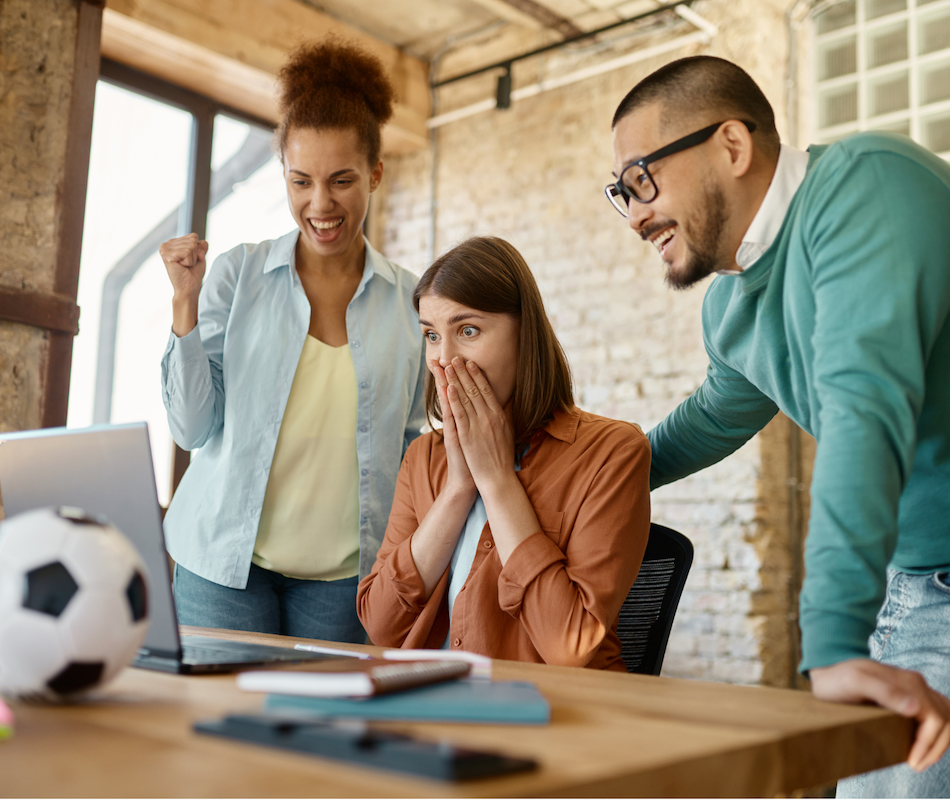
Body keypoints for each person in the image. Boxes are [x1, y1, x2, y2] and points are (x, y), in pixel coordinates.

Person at [607, 55, 950, 796]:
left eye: (642, 181)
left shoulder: (871, 189)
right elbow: (716, 414)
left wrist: (835, 644)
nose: (634, 213)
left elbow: (863, 409)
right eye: (619, 194)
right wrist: (578, 477)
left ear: (732, 146)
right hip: (914, 584)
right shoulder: (733, 306)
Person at [157, 40, 425, 643]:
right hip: (222, 569)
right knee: (219, 732)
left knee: (320, 736)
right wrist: (184, 306)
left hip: (345, 582)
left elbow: (412, 449)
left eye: (342, 180)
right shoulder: (237, 275)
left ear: (376, 173)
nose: (320, 204)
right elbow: (191, 428)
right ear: (283, 173)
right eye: (301, 180)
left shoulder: (412, 305)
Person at [357, 236, 651, 669]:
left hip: (550, 714)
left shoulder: (612, 452)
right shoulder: (422, 458)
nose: (444, 359)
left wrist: (496, 482)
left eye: (468, 331)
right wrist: (459, 487)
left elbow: (568, 648)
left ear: (524, 335)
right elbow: (381, 626)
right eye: (432, 336)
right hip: (427, 708)